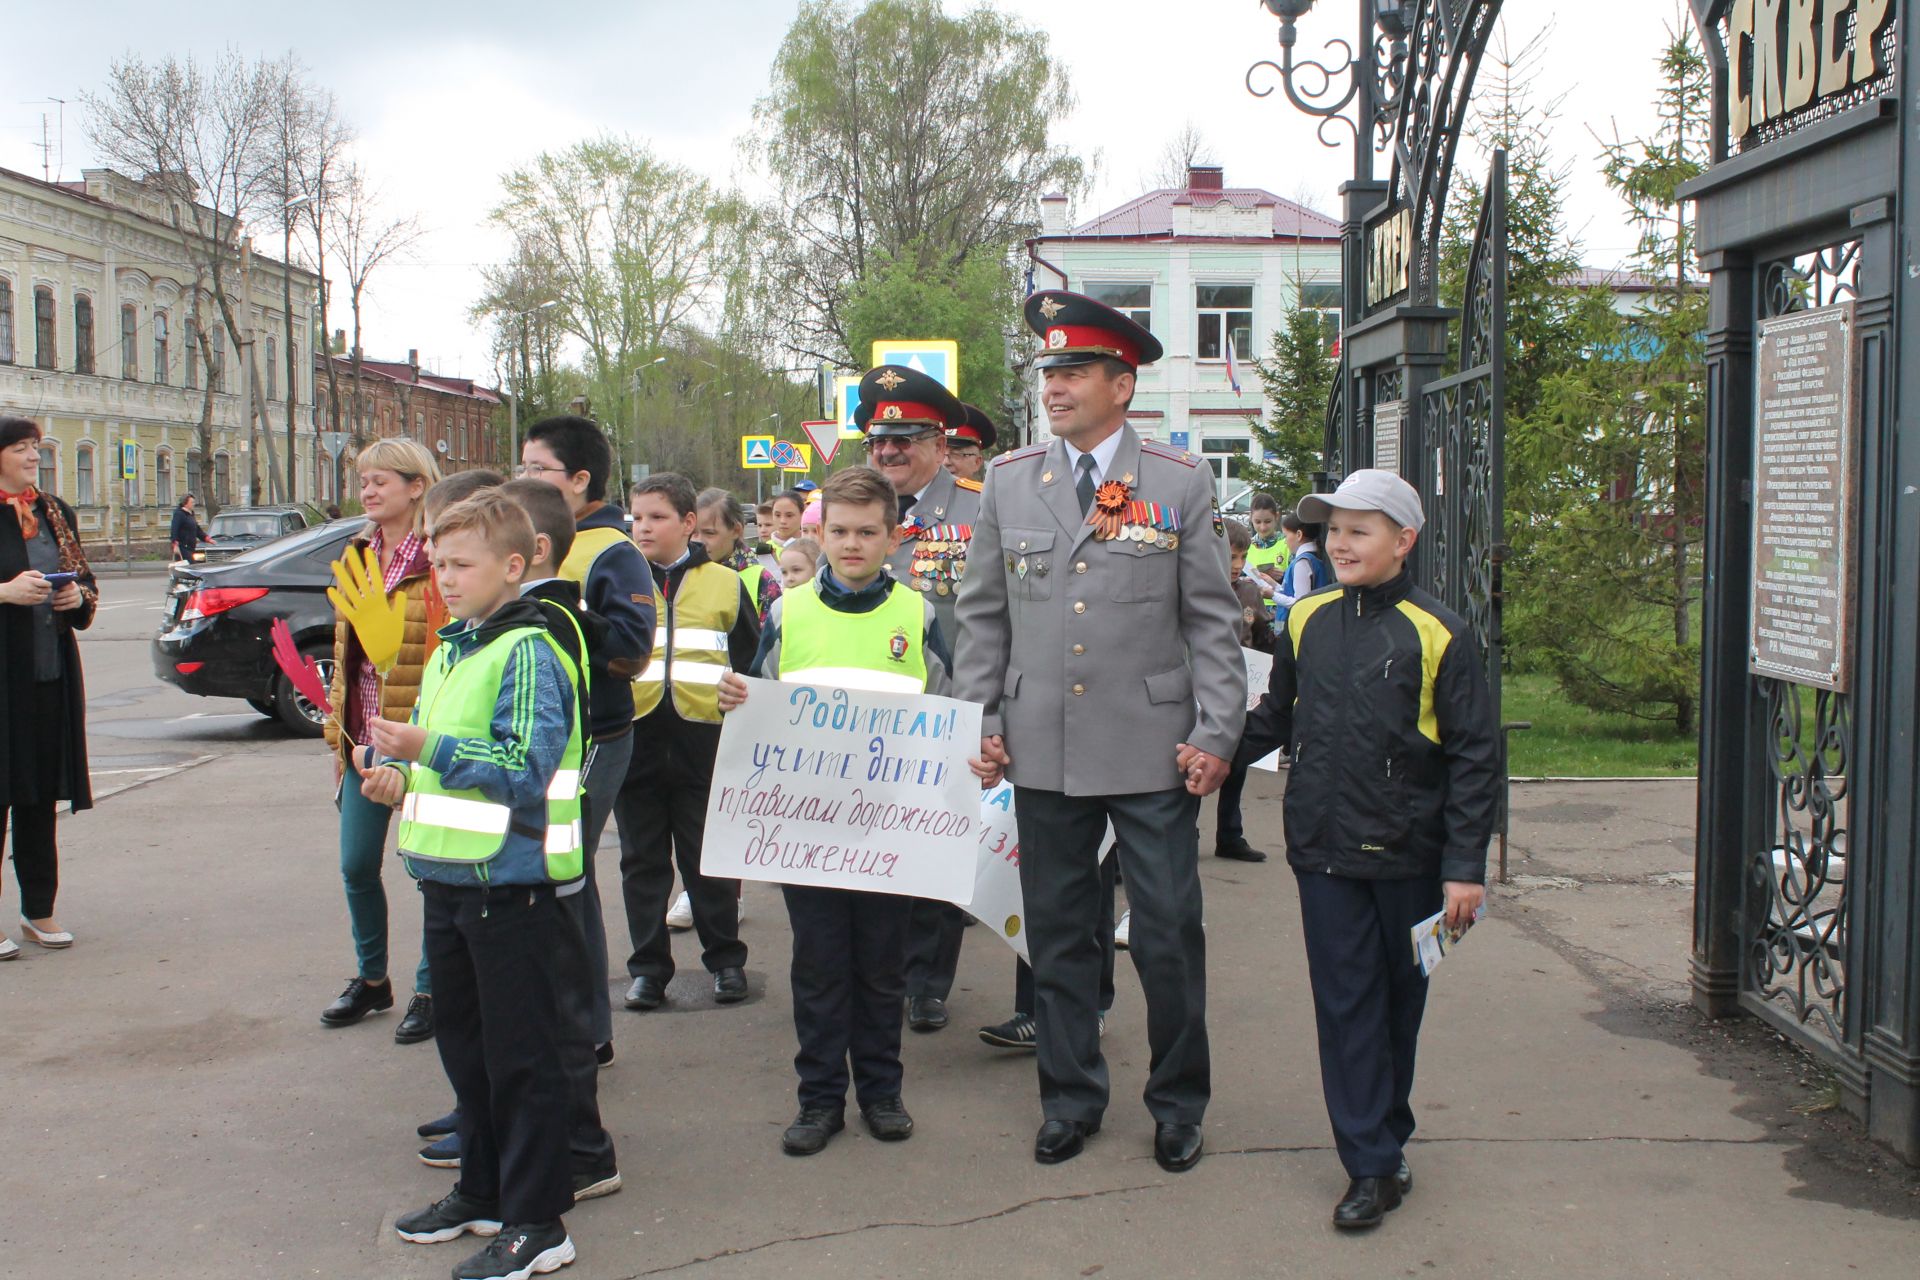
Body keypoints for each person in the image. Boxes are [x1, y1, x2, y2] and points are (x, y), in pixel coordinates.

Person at [954, 289, 1246, 1172]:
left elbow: (1211, 620)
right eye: (1050, 372)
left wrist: (1219, 732)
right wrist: (983, 718)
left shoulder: (1178, 480)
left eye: (1075, 371)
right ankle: (1070, 1097)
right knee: (1057, 933)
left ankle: (1178, 1102)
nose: (1056, 386)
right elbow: (983, 618)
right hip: (1041, 745)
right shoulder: (1009, 482)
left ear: (1123, 384)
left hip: (1154, 748)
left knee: (1165, 932)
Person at [1237, 469, 1498, 1230]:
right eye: (1332, 530)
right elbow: (1273, 717)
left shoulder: (1438, 630)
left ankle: (1386, 1133)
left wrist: (1463, 870)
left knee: (1397, 1005)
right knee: (1346, 1004)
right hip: (1321, 850)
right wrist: (1206, 754)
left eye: (1359, 530)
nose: (1340, 544)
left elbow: (1475, 758)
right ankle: (1369, 1164)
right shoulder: (1310, 618)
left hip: (1410, 857)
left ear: (1403, 541)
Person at [366, 489, 593, 1279]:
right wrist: (394, 772)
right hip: (449, 880)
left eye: (461, 564)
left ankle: (539, 1220)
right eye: (438, 561)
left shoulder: (529, 650)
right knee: (467, 1050)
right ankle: (484, 1190)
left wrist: (426, 748)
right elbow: (430, 747)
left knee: (521, 1058)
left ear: (515, 565)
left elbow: (526, 770)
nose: (446, 577)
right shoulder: (453, 646)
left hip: (513, 884)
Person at [717, 466, 949, 1156]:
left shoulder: (920, 614)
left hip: (889, 829)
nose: (852, 545)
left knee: (881, 968)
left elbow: (946, 707)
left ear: (892, 537)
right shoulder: (789, 611)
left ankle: (881, 1092)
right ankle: (819, 1099)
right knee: (819, 966)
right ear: (819, 533)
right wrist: (736, 701)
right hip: (806, 829)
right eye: (839, 532)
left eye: (866, 532)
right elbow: (759, 697)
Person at [519, 417, 656, 1063]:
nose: (523, 482)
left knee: (566, 875)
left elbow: (632, 652)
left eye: (536, 471)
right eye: (519, 469)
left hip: (596, 736)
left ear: (579, 480)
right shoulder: (520, 539)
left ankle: (588, 1031)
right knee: (544, 879)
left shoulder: (611, 549)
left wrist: (569, 615)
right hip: (537, 743)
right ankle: (555, 1019)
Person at [856, 364, 983, 1034]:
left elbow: (999, 621)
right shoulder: (855, 507)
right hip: (867, 717)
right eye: (879, 441)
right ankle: (878, 974)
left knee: (937, 855)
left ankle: (928, 983)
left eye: (904, 439)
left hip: (949, 711)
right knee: (873, 855)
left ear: (939, 441)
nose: (888, 453)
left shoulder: (977, 509)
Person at [616, 473, 758, 1011]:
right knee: (641, 862)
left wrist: (742, 700)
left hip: (704, 741)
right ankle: (648, 970)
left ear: (688, 524)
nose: (643, 526)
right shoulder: (620, 581)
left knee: (709, 860)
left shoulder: (726, 583)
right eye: (637, 516)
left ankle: (726, 961)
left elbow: (749, 662)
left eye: (656, 517)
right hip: (637, 740)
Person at [320, 437, 444, 1040]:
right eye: (363, 481)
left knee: (430, 870)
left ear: (416, 486)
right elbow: (347, 657)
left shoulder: (440, 555)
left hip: (419, 739)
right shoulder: (357, 552)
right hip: (362, 737)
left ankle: (431, 985)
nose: (367, 491)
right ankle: (373, 980)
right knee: (355, 865)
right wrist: (338, 738)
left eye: (380, 481)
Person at [0, 416, 97, 959]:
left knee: (38, 796)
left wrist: (75, 601)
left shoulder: (54, 512)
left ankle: (38, 911)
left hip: (48, 673)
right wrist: (4, 592)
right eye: (21, 448)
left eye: (36, 448)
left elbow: (84, 579)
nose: (33, 457)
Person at [1212, 520, 1275, 865]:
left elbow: (1262, 634)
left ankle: (1230, 834)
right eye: (1231, 556)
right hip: (1201, 690)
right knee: (1195, 763)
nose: (1237, 564)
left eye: (1242, 556)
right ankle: (1186, 832)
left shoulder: (1249, 593)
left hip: (1241, 689)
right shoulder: (1200, 585)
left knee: (1237, 764)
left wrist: (1275, 663)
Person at [696, 487, 781, 631]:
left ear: (736, 530)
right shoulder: (684, 574)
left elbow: (773, 642)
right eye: (693, 533)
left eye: (709, 533)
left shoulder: (762, 580)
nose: (699, 541)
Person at [1273, 511, 1332, 627]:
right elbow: (1291, 590)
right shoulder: (1313, 558)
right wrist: (1272, 584)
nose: (1285, 541)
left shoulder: (1302, 562)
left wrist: (1272, 595)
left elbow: (1300, 603)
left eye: (1286, 536)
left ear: (1299, 535)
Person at [1245, 493, 1287, 606]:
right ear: (1251, 518)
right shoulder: (1247, 546)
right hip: (1253, 606)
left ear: (1276, 517)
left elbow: (1296, 581)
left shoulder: (1287, 543)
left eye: (1267, 522)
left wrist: (1283, 576)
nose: (1263, 527)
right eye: (1258, 522)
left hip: (1280, 605)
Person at [944, 402, 997, 483]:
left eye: (956, 453)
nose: (946, 462)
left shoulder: (984, 495)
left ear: (977, 462)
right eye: (940, 452)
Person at [168, 494, 214, 563]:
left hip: (191, 547)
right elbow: (174, 529)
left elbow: (197, 530)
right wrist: (175, 543)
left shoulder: (191, 514)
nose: (194, 504)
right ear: (185, 503)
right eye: (192, 502)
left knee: (191, 566)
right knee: (190, 566)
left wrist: (207, 538)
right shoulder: (179, 514)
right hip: (183, 547)